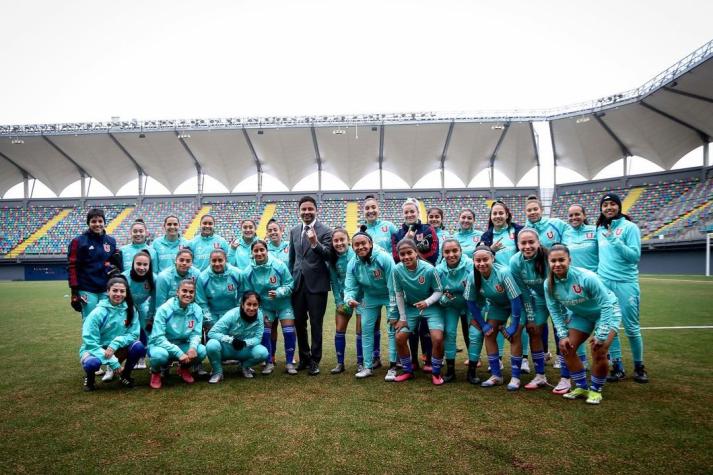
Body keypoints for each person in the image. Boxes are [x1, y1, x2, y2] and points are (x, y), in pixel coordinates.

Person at [544, 244, 621, 405]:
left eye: (561, 260)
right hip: (582, 315)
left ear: (569, 260)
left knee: (599, 349)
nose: (557, 264)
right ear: (549, 262)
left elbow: (606, 305)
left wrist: (601, 335)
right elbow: (555, 311)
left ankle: (596, 390)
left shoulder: (586, 277)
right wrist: (563, 335)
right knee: (566, 347)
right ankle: (581, 387)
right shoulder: (548, 284)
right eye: (553, 261)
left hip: (606, 312)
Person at [595, 193, 647, 383]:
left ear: (619, 206)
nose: (608, 208)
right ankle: (617, 366)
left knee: (632, 328)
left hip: (626, 283)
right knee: (610, 326)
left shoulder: (629, 227)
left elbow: (634, 256)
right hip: (604, 284)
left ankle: (639, 367)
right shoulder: (599, 229)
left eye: (612, 204)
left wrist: (615, 241)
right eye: (605, 205)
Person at [466, 244, 524, 390]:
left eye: (485, 259)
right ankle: (497, 376)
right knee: (489, 334)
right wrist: (483, 324)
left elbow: (515, 299)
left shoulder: (503, 272)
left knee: (515, 334)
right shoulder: (473, 276)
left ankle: (516, 377)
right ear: (473, 261)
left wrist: (513, 324)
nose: (481, 263)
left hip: (516, 305)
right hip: (497, 306)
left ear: (492, 258)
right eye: (477, 260)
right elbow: (470, 301)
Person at [391, 198, 439, 372]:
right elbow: (397, 258)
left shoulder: (428, 230)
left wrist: (415, 257)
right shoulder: (397, 234)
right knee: (411, 329)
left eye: (412, 211)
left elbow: (434, 254)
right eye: (406, 212)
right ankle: (412, 361)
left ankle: (427, 359)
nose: (410, 214)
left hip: (427, 284)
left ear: (418, 212)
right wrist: (406, 241)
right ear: (403, 214)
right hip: (408, 287)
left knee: (426, 327)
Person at [344, 226, 397, 380]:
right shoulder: (352, 264)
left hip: (389, 295)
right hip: (370, 296)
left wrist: (393, 311)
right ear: (352, 247)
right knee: (365, 329)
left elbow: (393, 286)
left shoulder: (384, 258)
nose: (360, 247)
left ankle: (393, 367)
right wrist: (349, 299)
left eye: (363, 243)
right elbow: (350, 287)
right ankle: (367, 366)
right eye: (356, 244)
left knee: (392, 328)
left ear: (371, 243)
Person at [288, 196, 333, 376]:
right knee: (299, 323)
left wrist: (315, 243)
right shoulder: (293, 230)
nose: (306, 212)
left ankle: (315, 360)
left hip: (317, 285)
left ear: (316, 210)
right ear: (299, 211)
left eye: (310, 209)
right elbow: (292, 260)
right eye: (303, 209)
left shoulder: (325, 231)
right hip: (298, 284)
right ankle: (304, 357)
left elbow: (329, 255)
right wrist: (291, 280)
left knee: (316, 324)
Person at [391, 239, 446, 385]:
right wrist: (402, 317)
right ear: (399, 255)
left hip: (431, 307)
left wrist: (427, 302)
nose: (406, 257)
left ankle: (436, 372)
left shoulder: (429, 269)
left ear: (416, 253)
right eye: (402, 254)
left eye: (409, 252)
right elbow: (398, 294)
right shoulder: (396, 270)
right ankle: (408, 371)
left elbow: (439, 291)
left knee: (438, 338)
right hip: (411, 308)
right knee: (399, 338)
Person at [477, 200, 524, 370]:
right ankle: (497, 361)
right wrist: (492, 249)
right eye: (494, 213)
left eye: (500, 213)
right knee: (494, 325)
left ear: (507, 215)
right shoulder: (486, 236)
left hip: (517, 284)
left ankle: (523, 358)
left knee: (519, 325)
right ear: (490, 217)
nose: (497, 216)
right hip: (496, 287)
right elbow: (480, 255)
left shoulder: (517, 231)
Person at [509, 229, 558, 391]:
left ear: (538, 242)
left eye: (531, 242)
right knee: (532, 330)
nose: (527, 246)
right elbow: (524, 292)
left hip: (559, 299)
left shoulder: (548, 258)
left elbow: (557, 286)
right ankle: (537, 376)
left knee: (566, 333)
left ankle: (568, 376)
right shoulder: (515, 262)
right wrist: (530, 317)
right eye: (523, 243)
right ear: (518, 244)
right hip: (539, 299)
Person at [79, 277, 146, 391]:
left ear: (126, 292)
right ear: (108, 291)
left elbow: (134, 334)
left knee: (138, 346)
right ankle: (90, 379)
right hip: (96, 349)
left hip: (117, 348)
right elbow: (90, 342)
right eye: (115, 290)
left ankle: (125, 375)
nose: (118, 294)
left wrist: (115, 343)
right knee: (92, 364)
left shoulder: (130, 310)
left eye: (122, 291)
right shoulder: (97, 313)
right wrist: (113, 361)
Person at [244, 240, 296, 375]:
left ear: (267, 251)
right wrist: (257, 305)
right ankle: (269, 362)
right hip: (265, 306)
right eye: (256, 251)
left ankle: (290, 363)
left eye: (262, 250)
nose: (259, 253)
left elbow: (290, 284)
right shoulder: (248, 271)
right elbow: (248, 293)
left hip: (283, 304)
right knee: (266, 332)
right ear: (252, 253)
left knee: (289, 331)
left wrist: (279, 292)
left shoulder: (278, 265)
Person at [147, 279, 206, 389]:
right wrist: (178, 353)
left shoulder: (197, 310)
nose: (187, 294)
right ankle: (155, 372)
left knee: (201, 350)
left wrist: (193, 347)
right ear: (177, 292)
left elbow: (196, 333)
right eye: (184, 291)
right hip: (160, 345)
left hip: (182, 343)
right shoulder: (164, 309)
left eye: (191, 292)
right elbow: (158, 337)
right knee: (159, 356)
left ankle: (184, 368)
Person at [68, 208, 121, 321]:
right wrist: (74, 293)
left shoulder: (111, 241)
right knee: (90, 321)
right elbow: (72, 267)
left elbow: (114, 264)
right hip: (87, 289)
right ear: (88, 223)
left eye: (100, 221)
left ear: (104, 222)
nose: (97, 224)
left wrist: (114, 269)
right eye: (93, 221)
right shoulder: (78, 242)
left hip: (106, 289)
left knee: (108, 322)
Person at [206, 291, 269, 383]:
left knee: (263, 352)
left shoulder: (259, 315)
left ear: (258, 305)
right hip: (227, 348)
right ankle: (217, 372)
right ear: (242, 304)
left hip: (244, 348)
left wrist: (245, 343)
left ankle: (245, 367)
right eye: (249, 304)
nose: (251, 308)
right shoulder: (232, 314)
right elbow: (212, 333)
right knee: (211, 345)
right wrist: (231, 340)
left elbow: (258, 338)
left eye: (255, 305)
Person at [436, 239, 472, 382]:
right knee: (449, 332)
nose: (451, 254)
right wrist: (443, 298)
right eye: (447, 252)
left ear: (461, 251)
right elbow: (436, 292)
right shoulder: (438, 270)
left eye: (454, 251)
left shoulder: (470, 265)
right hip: (451, 305)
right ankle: (450, 370)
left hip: (470, 304)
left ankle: (472, 370)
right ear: (442, 254)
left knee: (473, 333)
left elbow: (478, 288)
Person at [328, 228, 361, 375]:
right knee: (340, 330)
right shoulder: (332, 259)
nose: (339, 243)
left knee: (361, 331)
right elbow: (334, 282)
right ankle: (340, 363)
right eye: (336, 240)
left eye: (342, 240)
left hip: (360, 298)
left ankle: (361, 363)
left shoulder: (357, 255)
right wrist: (339, 302)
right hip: (343, 299)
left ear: (348, 240)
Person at [195, 249, 246, 341]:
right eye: (214, 261)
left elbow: (242, 294)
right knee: (214, 345)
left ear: (225, 260)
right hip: (212, 314)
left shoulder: (237, 273)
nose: (217, 263)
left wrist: (239, 314)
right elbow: (202, 302)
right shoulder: (202, 278)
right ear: (209, 261)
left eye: (220, 260)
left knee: (234, 342)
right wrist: (209, 321)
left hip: (232, 313)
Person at [122, 250, 156, 372]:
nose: (142, 267)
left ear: (149, 265)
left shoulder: (153, 278)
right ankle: (115, 364)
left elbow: (154, 299)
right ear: (133, 264)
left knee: (148, 330)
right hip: (126, 307)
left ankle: (147, 359)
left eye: (145, 265)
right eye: (139, 264)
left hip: (142, 305)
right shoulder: (124, 277)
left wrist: (151, 316)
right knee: (125, 331)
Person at [563, 204, 598, 272]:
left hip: (594, 276)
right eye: (571, 215)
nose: (574, 217)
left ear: (584, 216)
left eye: (577, 214)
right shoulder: (565, 234)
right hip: (574, 278)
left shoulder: (595, 230)